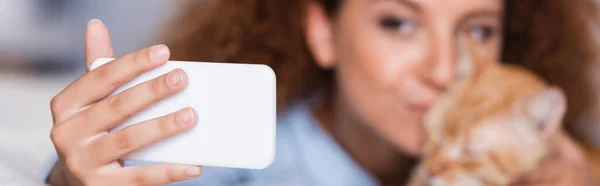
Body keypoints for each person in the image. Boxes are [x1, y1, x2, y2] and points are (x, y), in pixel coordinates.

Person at [45, 0, 600, 185]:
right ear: (322, 31)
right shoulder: (236, 156)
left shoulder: (540, 158)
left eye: (477, 30)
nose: (443, 69)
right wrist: (69, 180)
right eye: (398, 23)